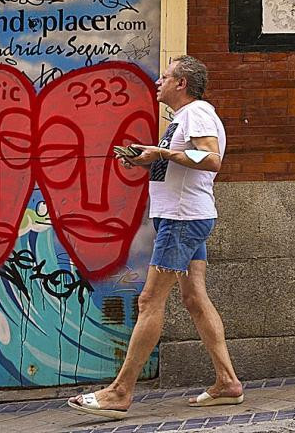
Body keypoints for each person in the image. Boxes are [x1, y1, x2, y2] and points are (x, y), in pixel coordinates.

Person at [68, 55, 243, 420]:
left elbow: (211, 158)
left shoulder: (196, 113)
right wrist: (149, 159)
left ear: (182, 84)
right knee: (194, 297)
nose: (158, 82)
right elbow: (187, 159)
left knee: (149, 300)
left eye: (165, 77)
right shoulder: (184, 117)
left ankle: (120, 392)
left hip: (182, 220)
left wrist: (161, 152)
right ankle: (227, 382)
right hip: (184, 217)